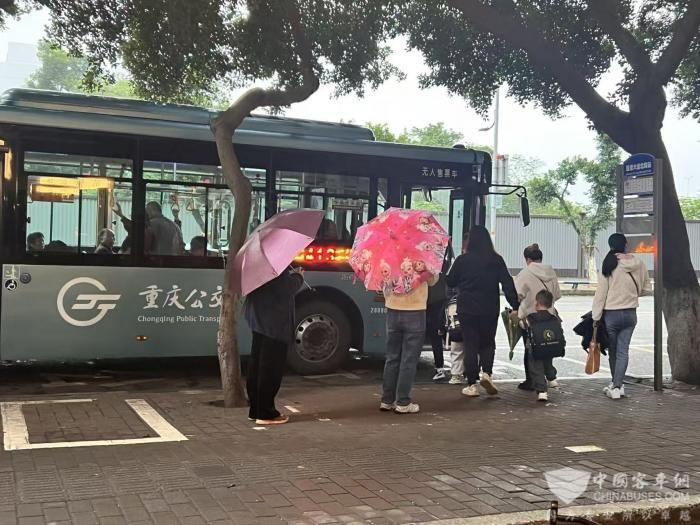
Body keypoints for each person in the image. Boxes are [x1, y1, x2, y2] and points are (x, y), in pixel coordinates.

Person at [446, 225, 519, 397]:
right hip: (489, 307)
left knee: (470, 344)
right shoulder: (496, 259)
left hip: (467, 308)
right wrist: (515, 305)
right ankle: (487, 373)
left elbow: (450, 281)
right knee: (487, 342)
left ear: (470, 241)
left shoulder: (463, 260)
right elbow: (507, 283)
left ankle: (472, 384)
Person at [244, 267, 305, 425]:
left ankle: (255, 410)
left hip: (258, 318)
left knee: (257, 365)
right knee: (270, 369)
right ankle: (266, 413)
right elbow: (285, 289)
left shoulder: (256, 263)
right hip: (274, 322)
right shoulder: (276, 266)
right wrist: (298, 277)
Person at [592, 233, 650, 400]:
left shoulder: (609, 263)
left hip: (612, 314)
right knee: (623, 351)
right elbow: (646, 289)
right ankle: (617, 385)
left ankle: (616, 386)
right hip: (631, 313)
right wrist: (631, 294)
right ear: (626, 245)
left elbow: (601, 294)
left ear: (610, 245)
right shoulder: (638, 263)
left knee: (613, 351)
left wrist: (596, 316)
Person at [380, 261, 438, 414]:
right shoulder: (422, 254)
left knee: (392, 357)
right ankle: (403, 402)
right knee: (409, 359)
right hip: (415, 311)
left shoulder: (389, 253)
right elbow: (432, 280)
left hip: (392, 309)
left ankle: (387, 400)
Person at [514, 243, 561, 391]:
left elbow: (517, 295)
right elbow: (556, 295)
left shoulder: (524, 274)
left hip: (530, 318)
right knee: (547, 345)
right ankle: (551, 376)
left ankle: (532, 381)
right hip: (549, 316)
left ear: (528, 259)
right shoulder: (551, 272)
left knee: (531, 350)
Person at [524, 290, 565, 402]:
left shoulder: (530, 317)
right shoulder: (553, 317)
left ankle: (542, 391)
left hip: (535, 348)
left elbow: (523, 325)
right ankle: (552, 378)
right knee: (548, 362)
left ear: (536, 303)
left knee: (536, 368)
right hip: (549, 345)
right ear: (550, 304)